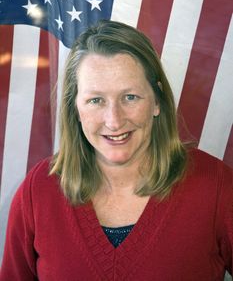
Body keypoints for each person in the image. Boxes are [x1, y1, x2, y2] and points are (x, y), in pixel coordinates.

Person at [0, 20, 232, 281]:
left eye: (130, 97)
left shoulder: (217, 187)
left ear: (157, 100)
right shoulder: (38, 191)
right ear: (75, 109)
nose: (114, 120)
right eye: (96, 100)